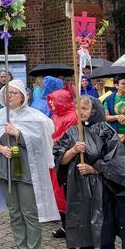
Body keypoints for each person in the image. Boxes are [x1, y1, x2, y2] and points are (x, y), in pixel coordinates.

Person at [0, 79, 59, 249]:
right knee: (14, 213)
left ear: (23, 95)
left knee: (29, 213)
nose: (9, 96)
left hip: (26, 171)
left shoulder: (34, 117)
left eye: (14, 93)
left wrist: (19, 133)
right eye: (7, 93)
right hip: (6, 171)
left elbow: (41, 143)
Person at [53, 96, 125, 249]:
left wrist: (94, 169)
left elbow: (118, 161)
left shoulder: (105, 131)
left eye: (85, 108)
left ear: (93, 110)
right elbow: (60, 160)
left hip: (103, 191)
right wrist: (73, 150)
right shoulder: (71, 132)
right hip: (78, 191)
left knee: (106, 236)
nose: (81, 112)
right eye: (78, 108)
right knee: (84, 237)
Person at [47, 88, 78, 239]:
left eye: (54, 100)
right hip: (55, 158)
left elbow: (68, 138)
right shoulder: (55, 115)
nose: (51, 104)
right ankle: (65, 226)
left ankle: (72, 226)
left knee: (67, 194)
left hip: (66, 161)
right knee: (58, 193)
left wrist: (51, 142)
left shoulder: (72, 117)